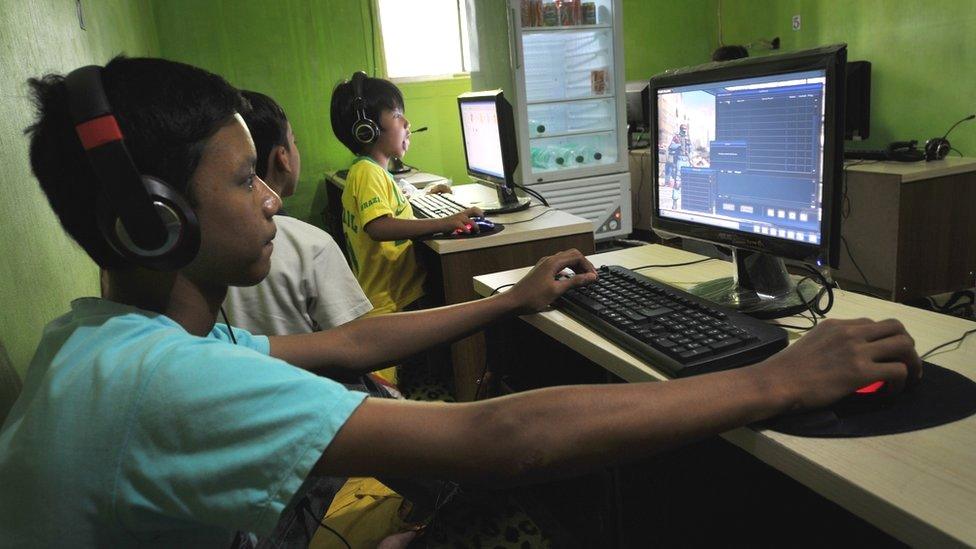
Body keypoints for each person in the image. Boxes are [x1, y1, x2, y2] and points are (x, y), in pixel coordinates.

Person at [0, 56, 922, 548]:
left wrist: (511, 296)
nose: (273, 195)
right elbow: (498, 441)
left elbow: (351, 341)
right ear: (154, 221)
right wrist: (778, 378)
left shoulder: (105, 340)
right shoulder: (161, 383)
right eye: (246, 180)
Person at [329, 71, 482, 318]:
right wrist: (445, 222)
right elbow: (379, 226)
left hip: (392, 298)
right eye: (398, 115)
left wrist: (422, 196)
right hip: (389, 305)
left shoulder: (367, 171)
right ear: (367, 130)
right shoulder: (368, 173)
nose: (407, 123)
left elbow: (387, 207)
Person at [223, 90, 373, 336]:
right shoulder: (313, 246)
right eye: (294, 142)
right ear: (282, 157)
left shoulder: (200, 253)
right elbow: (360, 343)